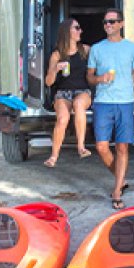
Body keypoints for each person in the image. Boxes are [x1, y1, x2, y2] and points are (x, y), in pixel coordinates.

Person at [87, 8, 134, 210]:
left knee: (122, 147)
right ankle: (121, 179)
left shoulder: (133, 48)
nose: (108, 25)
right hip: (103, 101)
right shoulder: (96, 49)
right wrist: (100, 79)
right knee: (102, 146)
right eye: (105, 22)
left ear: (121, 24)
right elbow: (89, 77)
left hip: (125, 102)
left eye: (112, 22)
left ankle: (117, 190)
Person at [42, 18, 92, 167]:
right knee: (63, 118)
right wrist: (55, 69)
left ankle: (81, 147)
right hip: (63, 93)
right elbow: (49, 82)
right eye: (76, 28)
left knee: (78, 105)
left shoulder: (86, 50)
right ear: (67, 32)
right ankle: (53, 156)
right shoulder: (57, 55)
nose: (80, 31)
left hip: (82, 91)